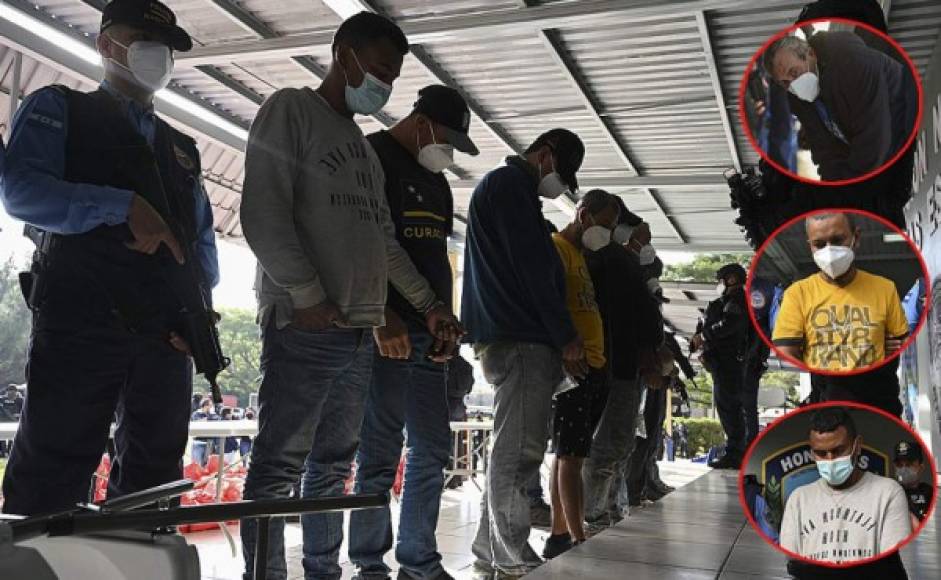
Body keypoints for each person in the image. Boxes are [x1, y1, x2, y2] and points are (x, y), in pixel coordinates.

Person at [238, 12, 461, 580]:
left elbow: (384, 243)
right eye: (380, 68)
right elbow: (263, 214)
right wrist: (307, 294)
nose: (384, 83)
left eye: (393, 74)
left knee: (335, 462)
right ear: (345, 55)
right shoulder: (291, 110)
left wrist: (430, 303)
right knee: (277, 465)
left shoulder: (360, 149)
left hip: (357, 334)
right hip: (306, 324)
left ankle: (323, 573)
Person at [0, 0, 219, 516]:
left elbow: (201, 238)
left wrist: (199, 315)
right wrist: (120, 206)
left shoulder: (181, 146)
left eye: (165, 49)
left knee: (153, 478)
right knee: (53, 473)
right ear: (105, 44)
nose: (158, 56)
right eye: (144, 42)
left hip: (167, 332)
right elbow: (22, 193)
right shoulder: (59, 108)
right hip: (82, 317)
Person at [348, 84, 478, 580]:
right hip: (387, 332)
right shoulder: (372, 156)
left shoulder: (437, 181)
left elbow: (438, 261)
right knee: (377, 454)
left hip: (430, 332)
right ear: (422, 122)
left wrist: (445, 316)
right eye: (446, 139)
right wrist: (381, 313)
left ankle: (419, 561)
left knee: (432, 450)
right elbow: (362, 245)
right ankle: (368, 564)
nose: (447, 153)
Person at [462, 128, 586, 578]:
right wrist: (566, 335)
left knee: (507, 452)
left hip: (507, 335)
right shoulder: (511, 186)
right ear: (545, 155)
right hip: (521, 337)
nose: (561, 183)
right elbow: (533, 268)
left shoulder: (506, 188)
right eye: (562, 171)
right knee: (518, 456)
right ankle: (513, 556)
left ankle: (488, 554)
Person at [541, 190, 618, 558]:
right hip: (576, 366)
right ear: (583, 214)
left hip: (596, 365)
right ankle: (576, 535)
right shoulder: (556, 247)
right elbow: (549, 302)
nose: (606, 233)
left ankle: (559, 535)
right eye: (604, 224)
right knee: (571, 456)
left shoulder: (582, 258)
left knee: (570, 455)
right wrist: (565, 346)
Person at [582, 201, 664, 529]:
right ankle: (596, 514)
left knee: (617, 446)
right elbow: (634, 318)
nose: (647, 245)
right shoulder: (616, 262)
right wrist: (649, 356)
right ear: (627, 234)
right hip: (618, 366)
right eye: (644, 237)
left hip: (621, 365)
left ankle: (608, 510)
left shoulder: (622, 263)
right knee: (610, 446)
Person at [762, 26, 917, 181]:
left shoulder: (853, 62)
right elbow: (826, 152)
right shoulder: (800, 100)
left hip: (914, 128)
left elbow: (873, 142)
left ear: (811, 53)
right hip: (885, 160)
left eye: (794, 73)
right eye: (785, 83)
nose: (793, 85)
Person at [772, 212, 909, 374]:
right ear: (810, 246)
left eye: (837, 240)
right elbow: (786, 351)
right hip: (827, 393)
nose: (829, 251)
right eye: (819, 244)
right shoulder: (797, 294)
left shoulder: (885, 288)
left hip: (878, 391)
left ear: (856, 238)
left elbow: (901, 342)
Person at [780, 407, 912, 564]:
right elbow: (793, 563)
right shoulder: (798, 499)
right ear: (812, 454)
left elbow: (892, 563)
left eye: (839, 451)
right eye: (821, 453)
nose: (830, 460)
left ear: (857, 446)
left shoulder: (888, 493)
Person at [690, 264, 750, 469]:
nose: (719, 284)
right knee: (727, 407)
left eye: (721, 280)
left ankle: (735, 454)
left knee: (729, 407)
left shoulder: (737, 301)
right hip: (721, 362)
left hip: (729, 363)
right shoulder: (726, 301)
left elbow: (730, 324)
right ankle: (735, 452)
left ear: (731, 279)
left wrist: (704, 336)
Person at [893, 440, 934, 527]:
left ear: (921, 467)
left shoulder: (930, 493)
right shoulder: (889, 491)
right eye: (899, 465)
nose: (903, 469)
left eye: (908, 465)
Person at [190, 398, 217, 467]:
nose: (211, 407)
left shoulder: (213, 415)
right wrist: (205, 420)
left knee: (206, 465)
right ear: (205, 405)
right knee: (196, 464)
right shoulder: (196, 414)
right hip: (198, 442)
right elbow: (195, 424)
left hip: (209, 443)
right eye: (210, 405)